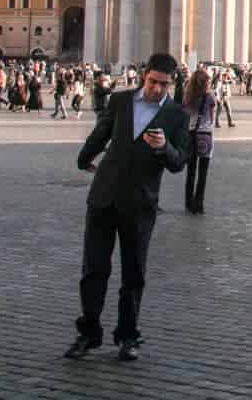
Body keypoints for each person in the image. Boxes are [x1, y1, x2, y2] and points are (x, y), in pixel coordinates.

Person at [64, 53, 191, 362]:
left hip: (140, 202)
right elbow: (100, 133)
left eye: (164, 84)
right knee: (93, 269)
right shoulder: (120, 101)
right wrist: (84, 159)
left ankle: (128, 336)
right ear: (143, 76)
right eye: (152, 82)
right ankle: (88, 332)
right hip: (104, 196)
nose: (157, 89)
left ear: (171, 83)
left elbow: (180, 162)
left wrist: (165, 148)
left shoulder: (177, 116)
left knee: (134, 274)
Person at [183, 68, 215, 213]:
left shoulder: (188, 96)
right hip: (205, 134)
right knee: (203, 173)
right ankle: (199, 203)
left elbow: (184, 115)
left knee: (190, 171)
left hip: (191, 134)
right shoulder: (209, 97)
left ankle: (188, 202)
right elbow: (212, 116)